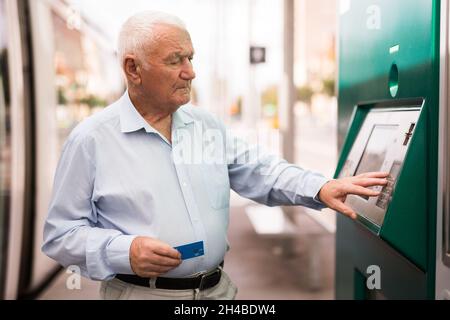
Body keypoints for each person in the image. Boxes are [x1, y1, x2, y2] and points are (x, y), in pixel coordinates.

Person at [42, 11, 388, 300]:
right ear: (134, 69)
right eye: (175, 60)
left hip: (217, 291)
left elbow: (262, 170)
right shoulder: (91, 140)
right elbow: (61, 235)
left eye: (190, 58)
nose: (190, 71)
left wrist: (320, 187)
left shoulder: (206, 126)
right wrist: (124, 252)